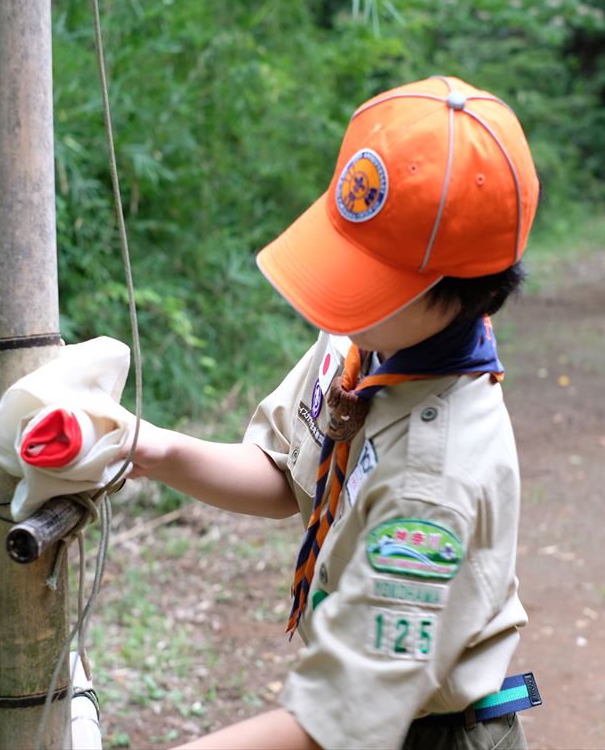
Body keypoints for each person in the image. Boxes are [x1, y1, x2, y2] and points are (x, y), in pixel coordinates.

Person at [123, 76, 541, 750]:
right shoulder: (370, 339)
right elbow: (291, 473)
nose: (333, 302)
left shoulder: (431, 483)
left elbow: (335, 723)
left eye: (371, 277)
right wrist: (158, 450)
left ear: (455, 286)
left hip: (430, 735)